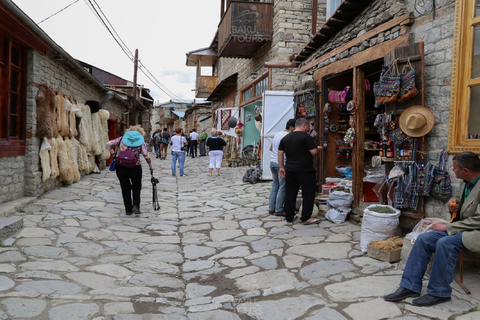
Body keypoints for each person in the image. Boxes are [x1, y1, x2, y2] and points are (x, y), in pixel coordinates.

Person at [384, 151, 480, 306]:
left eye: (455, 168)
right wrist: (453, 204)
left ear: (465, 171)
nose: (453, 171)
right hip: (464, 228)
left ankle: (439, 292)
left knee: (446, 243)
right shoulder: (466, 182)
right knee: (424, 239)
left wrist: (448, 226)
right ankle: (410, 286)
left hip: (476, 232)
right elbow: (464, 207)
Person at [278, 118, 321, 225]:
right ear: (305, 126)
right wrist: (319, 148)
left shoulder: (286, 138)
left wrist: (281, 167)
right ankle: (306, 217)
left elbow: (280, 153)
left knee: (290, 193)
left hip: (290, 169)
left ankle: (289, 216)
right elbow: (314, 151)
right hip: (305, 169)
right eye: (308, 127)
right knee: (308, 193)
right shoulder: (306, 137)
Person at [106, 125, 153, 215]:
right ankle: (136, 206)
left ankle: (128, 210)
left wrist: (113, 154)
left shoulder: (122, 139)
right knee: (136, 186)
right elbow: (146, 154)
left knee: (125, 187)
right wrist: (150, 165)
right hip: (135, 165)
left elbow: (108, 144)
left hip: (121, 165)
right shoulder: (141, 142)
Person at [269, 119, 295, 217]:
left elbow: (271, 148)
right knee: (283, 187)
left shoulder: (278, 134)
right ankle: (279, 209)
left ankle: (271, 207)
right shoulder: (288, 136)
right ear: (291, 127)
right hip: (281, 163)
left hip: (272, 162)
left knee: (275, 186)